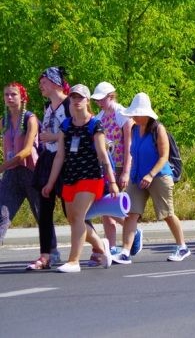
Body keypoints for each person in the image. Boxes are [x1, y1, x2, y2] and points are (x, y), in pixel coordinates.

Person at [42, 84, 115, 272]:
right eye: (73, 97)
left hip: (90, 177)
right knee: (73, 219)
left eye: (80, 97)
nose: (76, 101)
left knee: (79, 217)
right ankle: (101, 245)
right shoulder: (66, 125)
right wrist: (50, 183)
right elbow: (60, 156)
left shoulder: (95, 125)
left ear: (87, 100)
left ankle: (74, 261)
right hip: (70, 178)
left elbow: (103, 155)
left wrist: (113, 182)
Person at [113, 92, 190, 263]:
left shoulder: (158, 129)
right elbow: (134, 153)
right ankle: (125, 252)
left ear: (146, 114)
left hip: (158, 176)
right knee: (131, 214)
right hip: (137, 177)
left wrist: (150, 175)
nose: (134, 116)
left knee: (167, 213)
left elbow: (164, 156)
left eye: (137, 113)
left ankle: (182, 247)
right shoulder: (134, 129)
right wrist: (132, 174)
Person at [91, 81, 143, 257]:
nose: (99, 102)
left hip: (120, 166)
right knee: (106, 207)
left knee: (113, 205)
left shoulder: (122, 114)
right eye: (97, 99)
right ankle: (112, 246)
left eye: (102, 99)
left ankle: (133, 230)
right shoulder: (99, 118)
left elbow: (129, 144)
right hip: (107, 167)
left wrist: (126, 171)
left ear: (110, 96)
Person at [25, 67, 71, 270]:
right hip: (48, 160)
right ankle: (46, 255)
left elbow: (76, 131)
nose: (41, 87)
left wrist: (52, 137)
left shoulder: (69, 104)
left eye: (44, 83)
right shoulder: (47, 107)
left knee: (71, 211)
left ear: (55, 83)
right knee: (44, 209)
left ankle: (98, 246)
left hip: (66, 162)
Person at [0, 83, 41, 249]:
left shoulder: (30, 119)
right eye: (6, 95)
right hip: (11, 173)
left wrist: (3, 166)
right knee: (2, 213)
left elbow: (26, 150)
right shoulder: (4, 121)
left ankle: (51, 251)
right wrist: (5, 168)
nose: (9, 98)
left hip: (30, 171)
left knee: (40, 213)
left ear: (22, 97)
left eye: (13, 94)